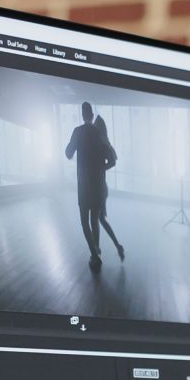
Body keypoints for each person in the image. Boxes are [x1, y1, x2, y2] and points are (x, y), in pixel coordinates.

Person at [65, 102, 124, 271]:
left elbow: (68, 153)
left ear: (83, 115)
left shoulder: (78, 132)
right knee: (95, 220)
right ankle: (96, 252)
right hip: (98, 185)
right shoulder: (99, 133)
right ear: (92, 115)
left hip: (83, 185)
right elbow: (112, 160)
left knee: (85, 222)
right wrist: (100, 168)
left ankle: (95, 255)